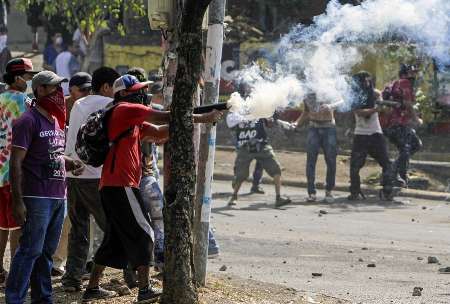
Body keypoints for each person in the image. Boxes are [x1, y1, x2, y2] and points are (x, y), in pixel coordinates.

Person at [83, 74, 222, 303]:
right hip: (121, 184)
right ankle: (144, 289)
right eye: (138, 89)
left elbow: (159, 133)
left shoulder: (129, 117)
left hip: (114, 185)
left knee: (113, 240)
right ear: (124, 93)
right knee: (145, 233)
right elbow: (168, 116)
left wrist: (200, 118)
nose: (142, 93)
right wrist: (204, 116)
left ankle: (93, 287)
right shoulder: (125, 109)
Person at [6, 71, 85, 304]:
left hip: (58, 195)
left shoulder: (56, 120)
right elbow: (16, 162)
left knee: (46, 253)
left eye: (60, 87)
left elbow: (53, 154)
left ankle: (43, 298)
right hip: (36, 196)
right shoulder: (27, 121)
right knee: (30, 249)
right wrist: (17, 201)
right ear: (40, 89)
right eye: (54, 88)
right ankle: (14, 299)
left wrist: (69, 163)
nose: (59, 93)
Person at [62, 67, 120, 293]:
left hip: (73, 173)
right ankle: (127, 276)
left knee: (79, 230)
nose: (116, 92)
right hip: (94, 176)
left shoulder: (79, 104)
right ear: (105, 86)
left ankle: (72, 279)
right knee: (112, 228)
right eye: (114, 87)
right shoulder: (107, 105)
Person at [0, 58, 38, 285]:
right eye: (29, 77)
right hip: (16, 171)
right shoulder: (26, 102)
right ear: (18, 78)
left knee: (2, 225)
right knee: (18, 225)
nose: (31, 81)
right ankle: (16, 271)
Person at [348, 71, 394, 201]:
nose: (367, 83)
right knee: (355, 166)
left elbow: (384, 108)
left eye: (368, 81)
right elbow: (359, 112)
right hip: (360, 134)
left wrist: (386, 103)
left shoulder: (376, 94)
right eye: (364, 81)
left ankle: (387, 190)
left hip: (375, 133)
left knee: (386, 163)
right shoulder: (354, 97)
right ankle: (354, 191)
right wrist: (375, 109)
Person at [294, 92, 342, 203]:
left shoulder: (327, 88)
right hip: (313, 127)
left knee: (331, 160)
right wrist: (297, 123)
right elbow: (306, 112)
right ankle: (311, 193)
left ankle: (329, 191)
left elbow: (341, 101)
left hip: (329, 127)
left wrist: (330, 106)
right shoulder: (307, 94)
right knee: (311, 160)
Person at [383, 64, 423, 187]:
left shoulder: (395, 83)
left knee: (411, 146)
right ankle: (391, 173)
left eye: (415, 73)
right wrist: (417, 119)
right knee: (407, 149)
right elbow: (407, 103)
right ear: (405, 74)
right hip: (396, 124)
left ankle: (401, 177)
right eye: (412, 73)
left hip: (396, 124)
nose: (414, 76)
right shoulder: (404, 83)